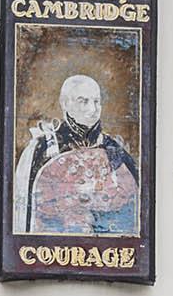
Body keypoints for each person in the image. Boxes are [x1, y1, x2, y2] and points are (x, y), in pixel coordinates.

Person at [11, 73, 140, 236]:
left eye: (96, 102)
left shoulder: (114, 151)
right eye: (83, 101)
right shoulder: (41, 150)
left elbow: (131, 212)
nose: (93, 109)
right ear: (64, 103)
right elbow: (24, 217)